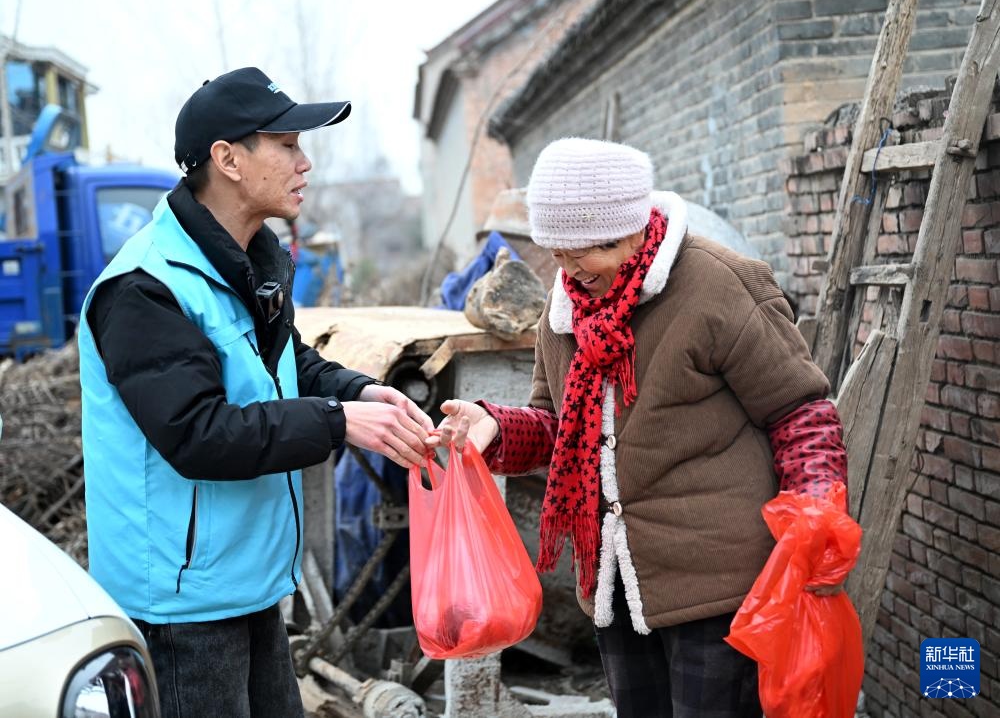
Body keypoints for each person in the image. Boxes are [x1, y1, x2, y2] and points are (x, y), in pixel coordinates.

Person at [430, 137, 849, 718]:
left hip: (719, 586)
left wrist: (814, 512)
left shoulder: (717, 285)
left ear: (628, 232)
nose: (569, 270)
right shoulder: (566, 308)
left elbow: (799, 410)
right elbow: (558, 428)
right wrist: (496, 429)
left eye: (583, 253)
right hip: (615, 584)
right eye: (557, 253)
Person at [78, 67, 433, 718]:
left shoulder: (242, 261)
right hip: (181, 608)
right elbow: (199, 433)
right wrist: (336, 421)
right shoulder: (144, 289)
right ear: (228, 159)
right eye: (289, 144)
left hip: (245, 583)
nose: (306, 163)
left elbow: (282, 362)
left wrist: (361, 392)